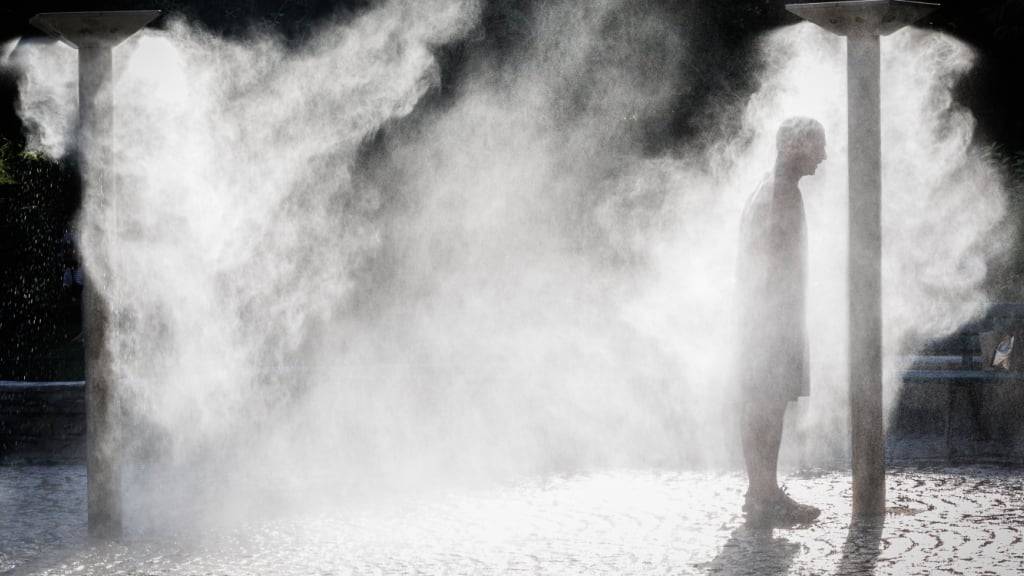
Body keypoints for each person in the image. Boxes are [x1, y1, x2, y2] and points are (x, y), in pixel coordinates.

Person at [736, 117, 827, 528]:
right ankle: (764, 496)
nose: (823, 156)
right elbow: (769, 266)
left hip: (765, 318)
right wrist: (777, 324)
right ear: (794, 146)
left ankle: (762, 492)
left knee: (764, 405)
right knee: (766, 407)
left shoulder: (771, 188)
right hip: (770, 320)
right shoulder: (780, 193)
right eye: (817, 146)